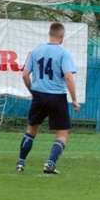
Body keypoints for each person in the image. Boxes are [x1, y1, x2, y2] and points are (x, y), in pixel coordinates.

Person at [16, 22, 80, 174]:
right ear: (62, 35)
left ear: (49, 33)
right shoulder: (64, 53)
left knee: (31, 129)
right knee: (62, 133)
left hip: (39, 96)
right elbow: (69, 77)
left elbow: (25, 75)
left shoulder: (36, 51)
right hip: (56, 97)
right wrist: (74, 99)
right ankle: (50, 164)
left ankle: (20, 163)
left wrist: (33, 92)